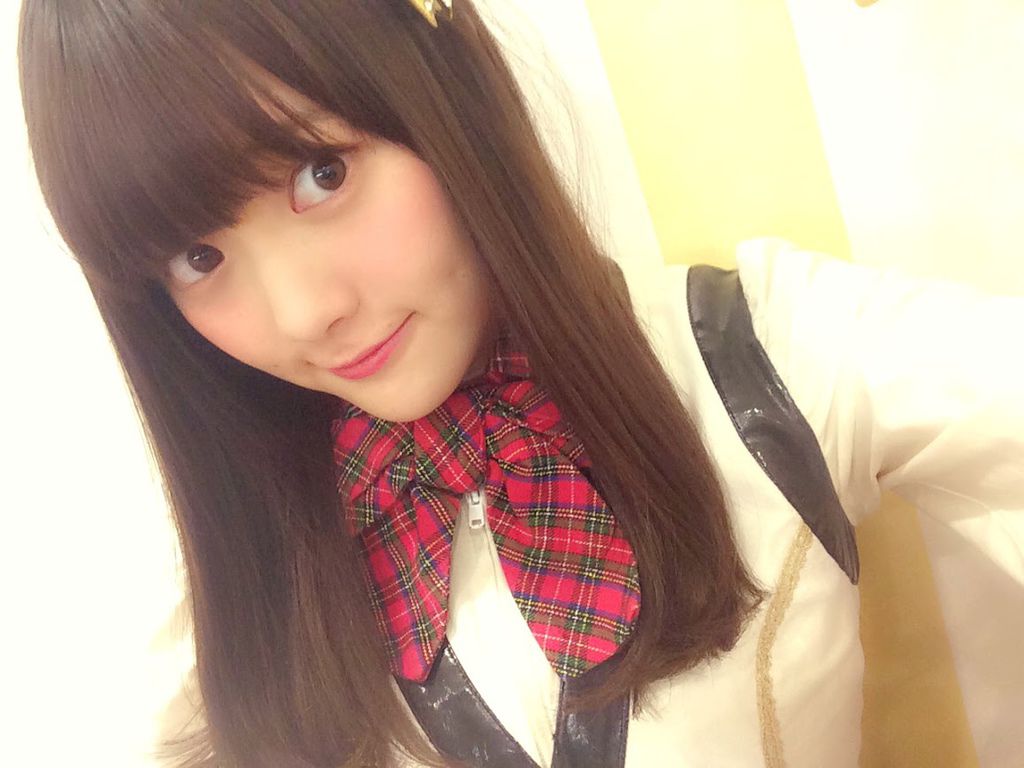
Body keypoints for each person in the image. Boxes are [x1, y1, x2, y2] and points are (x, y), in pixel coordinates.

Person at [17, 1, 1023, 767]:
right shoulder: (245, 580)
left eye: (321, 173)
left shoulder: (762, 357)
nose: (300, 312)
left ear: (442, 91)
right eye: (197, 256)